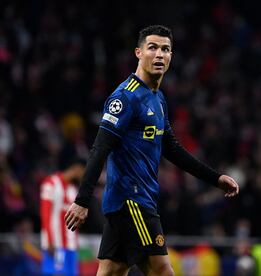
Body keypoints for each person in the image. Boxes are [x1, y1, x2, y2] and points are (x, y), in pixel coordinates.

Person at [64, 25, 239, 276]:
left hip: (133, 200)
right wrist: (82, 200)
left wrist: (215, 178)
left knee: (111, 272)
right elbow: (100, 147)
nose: (159, 54)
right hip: (131, 201)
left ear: (171, 56)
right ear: (138, 52)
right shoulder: (125, 97)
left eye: (165, 49)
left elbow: (172, 148)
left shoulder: (157, 99)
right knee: (162, 271)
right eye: (153, 48)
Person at [40, 157, 86, 275]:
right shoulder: (51, 183)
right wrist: (49, 240)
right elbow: (45, 213)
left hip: (71, 246)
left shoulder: (73, 189)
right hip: (55, 244)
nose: (84, 176)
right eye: (84, 172)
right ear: (77, 168)